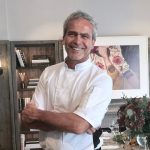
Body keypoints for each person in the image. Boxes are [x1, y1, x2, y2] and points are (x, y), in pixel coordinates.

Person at [22, 10, 112, 150]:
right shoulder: (48, 73)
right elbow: (30, 121)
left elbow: (77, 125)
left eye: (84, 36)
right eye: (72, 34)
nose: (77, 41)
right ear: (63, 38)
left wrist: (40, 114)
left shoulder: (100, 79)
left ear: (93, 42)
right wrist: (75, 122)